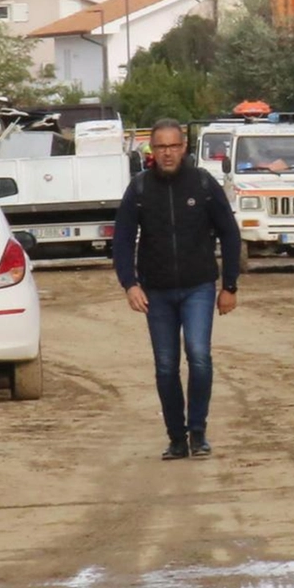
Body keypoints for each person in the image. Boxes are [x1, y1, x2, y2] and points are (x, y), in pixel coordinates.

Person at [112, 119, 242, 460]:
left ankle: (198, 431)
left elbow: (229, 234)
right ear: (151, 151)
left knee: (199, 357)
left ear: (184, 148)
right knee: (166, 366)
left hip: (198, 287)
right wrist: (130, 284)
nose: (167, 153)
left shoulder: (202, 184)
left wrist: (229, 285)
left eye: (173, 146)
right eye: (160, 147)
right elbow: (122, 240)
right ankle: (176, 437)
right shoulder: (139, 189)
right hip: (156, 294)